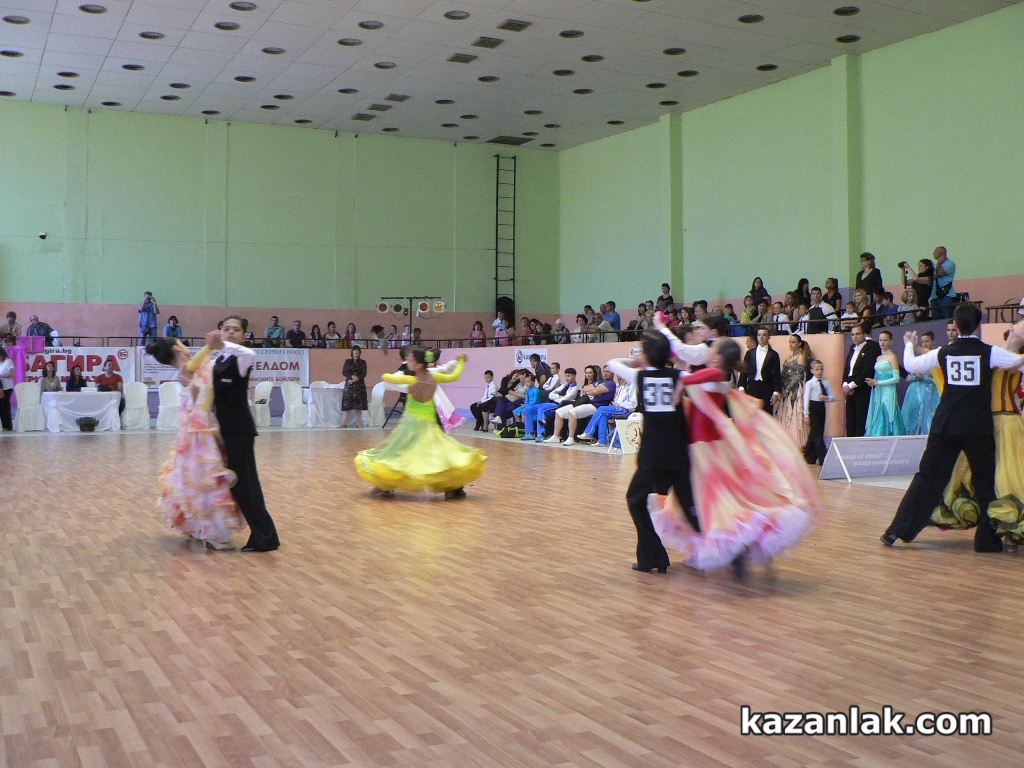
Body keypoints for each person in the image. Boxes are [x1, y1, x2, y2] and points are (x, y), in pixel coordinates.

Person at [650, 337, 821, 576]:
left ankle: (729, 546)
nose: (707, 350)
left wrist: (674, 369)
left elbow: (685, 379)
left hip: (703, 449)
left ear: (718, 357)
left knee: (712, 502)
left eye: (711, 349)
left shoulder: (714, 374)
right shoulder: (718, 376)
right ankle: (729, 546)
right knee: (716, 500)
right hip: (711, 445)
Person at [881, 305, 1024, 552]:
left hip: (945, 425)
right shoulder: (990, 352)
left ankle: (896, 530)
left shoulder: (943, 352)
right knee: (985, 483)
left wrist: (908, 343)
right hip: (978, 428)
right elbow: (1018, 364)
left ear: (956, 325)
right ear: (978, 324)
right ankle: (986, 542)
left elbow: (911, 365)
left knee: (926, 478)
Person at [605, 332, 698, 574]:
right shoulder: (679, 376)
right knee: (690, 507)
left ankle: (652, 556)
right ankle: (729, 550)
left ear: (646, 355)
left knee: (635, 501)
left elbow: (612, 363)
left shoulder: (640, 376)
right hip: (678, 454)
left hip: (653, 455)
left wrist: (636, 361)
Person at [146, 336, 246, 550]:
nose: (185, 346)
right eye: (182, 343)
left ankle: (199, 527)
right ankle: (213, 533)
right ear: (177, 348)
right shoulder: (187, 368)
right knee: (206, 478)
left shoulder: (189, 368)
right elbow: (197, 362)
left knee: (198, 478)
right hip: (200, 430)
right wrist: (210, 344)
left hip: (198, 427)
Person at [929, 323, 1024, 545]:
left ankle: (1009, 530)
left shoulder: (1006, 358)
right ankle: (995, 530)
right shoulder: (991, 353)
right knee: (985, 476)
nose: (1017, 327)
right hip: (986, 422)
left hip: (1007, 423)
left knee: (1006, 477)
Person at [355, 350, 485, 499]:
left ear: (418, 365)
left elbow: (386, 378)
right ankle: (453, 487)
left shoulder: (411, 380)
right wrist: (461, 362)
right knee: (438, 454)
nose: (408, 363)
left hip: (409, 424)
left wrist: (402, 382)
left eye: (411, 361)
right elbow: (454, 376)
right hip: (429, 424)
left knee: (396, 452)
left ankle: (385, 485)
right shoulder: (434, 376)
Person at [214, 316, 280, 553]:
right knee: (240, 485)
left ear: (244, 336)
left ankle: (265, 537)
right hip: (224, 430)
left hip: (239, 429)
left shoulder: (242, 359)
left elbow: (250, 354)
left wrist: (221, 343)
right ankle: (265, 535)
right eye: (226, 329)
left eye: (236, 330)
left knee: (244, 485)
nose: (231, 332)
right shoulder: (218, 360)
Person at [841, 324, 880, 437]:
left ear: (864, 335)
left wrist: (851, 386)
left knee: (861, 418)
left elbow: (867, 371)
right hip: (849, 388)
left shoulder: (869, 348)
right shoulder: (852, 348)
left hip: (862, 388)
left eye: (858, 334)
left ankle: (860, 443)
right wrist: (845, 384)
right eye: (853, 334)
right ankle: (850, 442)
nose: (855, 337)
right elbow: (847, 368)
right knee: (850, 419)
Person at [865, 330, 905, 436]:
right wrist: (873, 382)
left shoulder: (892, 357)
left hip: (888, 390)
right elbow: (876, 375)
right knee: (877, 412)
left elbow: (896, 378)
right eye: (880, 340)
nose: (882, 343)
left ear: (891, 342)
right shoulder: (878, 358)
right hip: (878, 390)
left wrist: (878, 383)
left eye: (885, 340)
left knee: (887, 412)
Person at [900, 331, 940, 435]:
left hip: (931, 392)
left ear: (933, 342)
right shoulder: (919, 359)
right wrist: (915, 376)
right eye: (922, 342)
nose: (925, 344)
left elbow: (938, 378)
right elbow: (911, 375)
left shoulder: (935, 357)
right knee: (913, 416)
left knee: (929, 416)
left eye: (927, 341)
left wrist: (924, 377)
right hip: (916, 391)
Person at [775, 334, 811, 447]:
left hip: (795, 390)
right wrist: (782, 388)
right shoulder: (788, 357)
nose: (790, 344)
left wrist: (788, 388)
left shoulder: (801, 357)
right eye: (790, 342)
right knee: (786, 414)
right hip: (786, 390)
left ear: (799, 344)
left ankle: (798, 442)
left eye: (793, 342)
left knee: (795, 413)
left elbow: (799, 376)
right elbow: (783, 374)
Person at [738, 327, 781, 413]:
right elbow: (744, 371)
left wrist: (776, 392)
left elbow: (776, 374)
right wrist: (741, 387)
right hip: (752, 387)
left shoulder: (774, 354)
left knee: (766, 413)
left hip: (767, 388)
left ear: (768, 337)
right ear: (757, 337)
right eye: (759, 335)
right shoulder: (749, 353)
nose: (761, 337)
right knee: (751, 413)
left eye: (764, 335)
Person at [802, 359, 835, 465]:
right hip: (813, 407)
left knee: (817, 432)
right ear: (812, 370)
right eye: (817, 369)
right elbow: (806, 399)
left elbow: (832, 397)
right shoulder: (810, 383)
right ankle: (823, 457)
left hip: (821, 408)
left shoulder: (825, 383)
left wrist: (826, 398)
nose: (819, 371)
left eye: (821, 369)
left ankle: (809, 456)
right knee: (817, 434)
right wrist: (806, 414)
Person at [341, 345, 368, 427]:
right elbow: (344, 372)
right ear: (352, 352)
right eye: (354, 350)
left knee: (359, 404)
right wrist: (352, 377)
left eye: (357, 350)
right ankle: (344, 423)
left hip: (359, 385)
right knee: (347, 403)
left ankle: (359, 423)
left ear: (360, 352)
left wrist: (357, 378)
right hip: (349, 384)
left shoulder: (363, 362)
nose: (356, 352)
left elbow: (364, 373)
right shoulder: (348, 361)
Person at [930, 246, 956, 320]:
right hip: (934, 295)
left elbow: (940, 273)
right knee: (935, 320)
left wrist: (938, 263)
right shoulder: (934, 266)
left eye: (935, 251)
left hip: (946, 295)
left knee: (947, 318)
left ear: (941, 252)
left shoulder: (950, 264)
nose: (933, 254)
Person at [0, 346, 13, 431]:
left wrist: (1, 376)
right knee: (2, 406)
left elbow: (11, 374)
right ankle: (3, 425)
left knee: (5, 406)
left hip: (7, 387)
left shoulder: (8, 362)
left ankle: (8, 426)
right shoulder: (1, 363)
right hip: (1, 387)